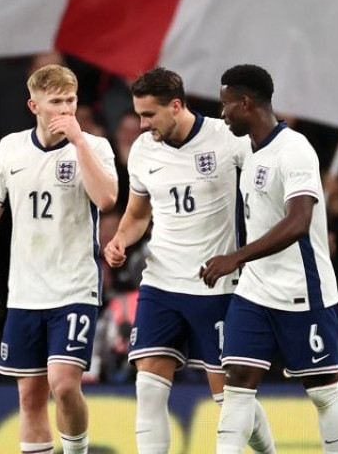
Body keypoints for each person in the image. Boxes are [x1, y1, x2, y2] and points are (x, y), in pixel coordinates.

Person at [0, 63, 116, 454]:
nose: (65, 109)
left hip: (74, 288)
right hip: (26, 293)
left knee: (64, 386)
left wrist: (81, 143)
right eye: (56, 102)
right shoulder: (10, 148)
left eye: (71, 100)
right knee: (30, 397)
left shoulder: (95, 147)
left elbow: (106, 199)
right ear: (34, 105)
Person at [102, 67, 275, 454]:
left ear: (176, 106)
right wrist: (120, 241)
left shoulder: (227, 139)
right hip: (161, 282)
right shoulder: (144, 150)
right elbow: (137, 214)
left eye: (149, 115)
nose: (142, 125)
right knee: (147, 386)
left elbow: (266, 191)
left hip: (215, 285)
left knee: (229, 398)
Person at [203, 65, 338, 454]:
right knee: (236, 382)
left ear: (246, 103)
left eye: (226, 106)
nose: (223, 114)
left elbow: (299, 221)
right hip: (256, 292)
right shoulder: (249, 150)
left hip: (304, 292)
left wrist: (236, 257)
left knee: (322, 392)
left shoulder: (295, 149)